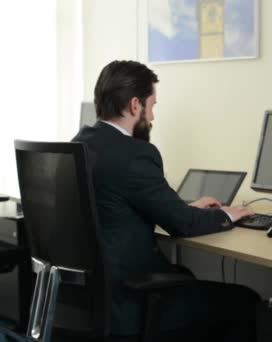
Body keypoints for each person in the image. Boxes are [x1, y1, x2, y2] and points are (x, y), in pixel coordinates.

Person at [73, 60, 258, 341]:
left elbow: (117, 207)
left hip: (88, 301)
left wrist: (184, 208)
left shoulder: (79, 142)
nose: (153, 117)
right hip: (130, 303)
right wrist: (229, 214)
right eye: (153, 105)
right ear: (136, 105)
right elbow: (182, 225)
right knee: (243, 300)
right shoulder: (136, 154)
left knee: (186, 275)